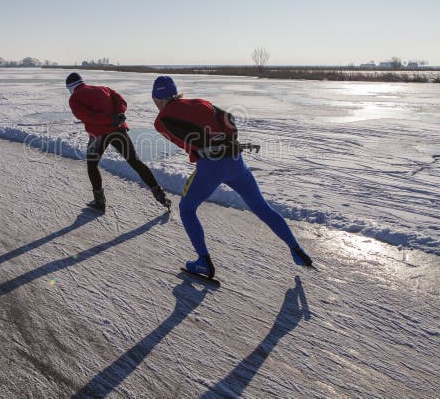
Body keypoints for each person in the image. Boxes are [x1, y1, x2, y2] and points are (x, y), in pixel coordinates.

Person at [151, 75, 312, 278]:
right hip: (236, 162)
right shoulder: (201, 102)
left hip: (210, 167)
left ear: (157, 98)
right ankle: (297, 251)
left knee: (187, 208)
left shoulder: (161, 120)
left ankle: (204, 262)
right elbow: (228, 121)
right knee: (261, 206)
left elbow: (187, 143)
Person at [66, 72, 170, 213]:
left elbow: (88, 117)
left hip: (98, 135)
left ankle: (99, 201)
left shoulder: (74, 98)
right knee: (135, 161)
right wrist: (119, 115)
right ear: (82, 81)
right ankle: (160, 195)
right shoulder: (104, 88)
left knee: (92, 165)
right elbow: (121, 101)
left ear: (70, 87)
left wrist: (110, 120)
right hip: (118, 130)